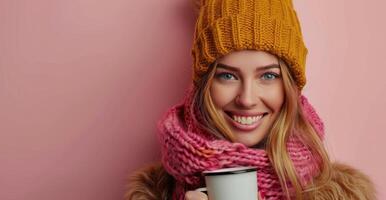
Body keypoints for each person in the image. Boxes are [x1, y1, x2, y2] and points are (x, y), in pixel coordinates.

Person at [124, 0, 376, 199]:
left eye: (268, 75)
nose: (246, 98)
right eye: (227, 76)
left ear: (289, 87)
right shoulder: (155, 193)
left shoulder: (343, 195)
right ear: (205, 85)